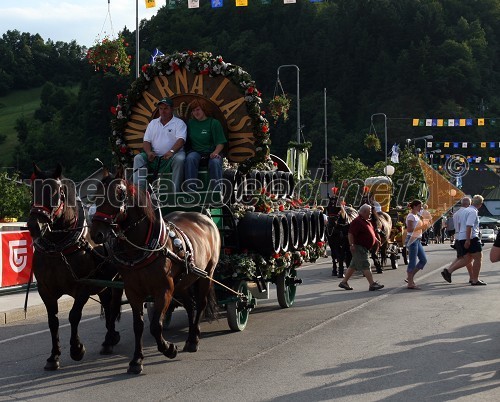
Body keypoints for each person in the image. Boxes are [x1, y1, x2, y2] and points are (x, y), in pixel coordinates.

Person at [132, 97, 187, 191]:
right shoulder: (153, 123)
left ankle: (175, 192)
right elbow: (146, 141)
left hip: (173, 156)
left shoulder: (179, 123)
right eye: (161, 108)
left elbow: (181, 140)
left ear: (172, 109)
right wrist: (149, 152)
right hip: (155, 157)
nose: (163, 111)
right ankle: (139, 192)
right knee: (138, 158)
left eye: (166, 108)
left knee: (180, 159)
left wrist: (171, 151)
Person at [338, 204, 384, 291]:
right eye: (369, 212)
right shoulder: (357, 221)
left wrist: (375, 240)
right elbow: (350, 234)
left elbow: (369, 232)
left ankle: (344, 282)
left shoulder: (365, 221)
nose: (370, 214)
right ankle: (372, 284)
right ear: (364, 212)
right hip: (359, 247)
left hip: (364, 247)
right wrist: (351, 245)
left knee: (353, 266)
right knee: (366, 265)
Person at [441, 195, 485, 286]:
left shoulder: (463, 211)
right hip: (470, 237)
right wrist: (468, 240)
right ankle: (475, 279)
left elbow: (461, 224)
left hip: (460, 236)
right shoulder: (473, 211)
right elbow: (469, 225)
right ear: (480, 204)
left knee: (467, 259)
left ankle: (449, 271)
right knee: (478, 258)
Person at [184, 98, 227, 191]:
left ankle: (216, 193)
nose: (196, 112)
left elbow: (221, 143)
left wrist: (215, 152)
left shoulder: (214, 123)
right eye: (193, 110)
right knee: (190, 158)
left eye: (198, 109)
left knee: (215, 162)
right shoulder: (190, 124)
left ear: (204, 110)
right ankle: (191, 191)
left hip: (212, 151)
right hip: (196, 151)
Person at [440, 197, 473, 283]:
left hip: (457, 236)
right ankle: (449, 271)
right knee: (467, 258)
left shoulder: (456, 213)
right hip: (464, 236)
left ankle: (472, 276)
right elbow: (467, 225)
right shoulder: (467, 212)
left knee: (462, 257)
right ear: (468, 204)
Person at [405, 200, 429, 289]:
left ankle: (410, 277)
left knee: (423, 260)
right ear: (414, 207)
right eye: (419, 206)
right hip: (412, 239)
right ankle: (410, 283)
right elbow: (410, 229)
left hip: (417, 239)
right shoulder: (411, 216)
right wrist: (422, 227)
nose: (420, 208)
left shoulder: (416, 216)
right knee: (412, 261)